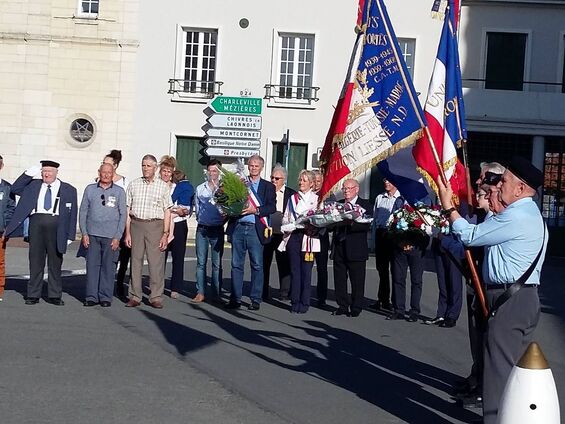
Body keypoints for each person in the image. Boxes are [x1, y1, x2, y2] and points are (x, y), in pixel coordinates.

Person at [438, 156, 547, 424]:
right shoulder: (523, 214)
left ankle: (496, 420)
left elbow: (470, 236)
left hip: (511, 299)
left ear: (521, 188)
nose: (499, 185)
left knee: (498, 371)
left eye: (505, 181)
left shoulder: (517, 216)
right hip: (519, 297)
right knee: (512, 370)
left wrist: (448, 208)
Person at [5, 160, 78, 305]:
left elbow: (73, 214)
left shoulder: (69, 189)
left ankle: (55, 294)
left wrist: (70, 235)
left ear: (57, 172)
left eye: (50, 171)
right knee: (36, 261)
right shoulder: (33, 185)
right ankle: (33, 294)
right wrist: (29, 172)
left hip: (57, 226)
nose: (47, 174)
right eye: (44, 171)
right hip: (36, 224)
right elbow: (15, 188)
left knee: (55, 262)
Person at [225, 155, 276, 311]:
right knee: (236, 264)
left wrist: (257, 210)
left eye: (256, 166)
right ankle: (236, 298)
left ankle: (255, 298)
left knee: (257, 264)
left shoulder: (268, 186)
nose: (253, 168)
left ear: (261, 167)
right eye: (251, 165)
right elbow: (229, 201)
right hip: (239, 226)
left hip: (256, 228)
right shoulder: (241, 182)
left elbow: (271, 207)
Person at [124, 154, 173, 309]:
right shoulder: (134, 184)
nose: (145, 168)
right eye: (143, 165)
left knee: (155, 262)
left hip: (155, 225)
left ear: (155, 167)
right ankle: (135, 295)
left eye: (148, 166)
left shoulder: (163, 186)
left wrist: (165, 233)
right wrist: (127, 233)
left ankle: (155, 296)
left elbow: (167, 211)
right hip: (137, 224)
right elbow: (127, 210)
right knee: (136, 261)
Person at [79, 163, 127, 307]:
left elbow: (123, 214)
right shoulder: (90, 189)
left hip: (111, 236)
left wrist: (118, 236)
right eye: (103, 172)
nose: (106, 175)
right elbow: (83, 212)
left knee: (108, 267)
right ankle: (91, 296)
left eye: (109, 172)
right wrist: (84, 233)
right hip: (92, 234)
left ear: (113, 174)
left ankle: (105, 296)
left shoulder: (119, 192)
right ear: (99, 172)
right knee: (92, 266)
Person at [279, 170, 319, 313]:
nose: (301, 182)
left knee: (306, 271)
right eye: (300, 180)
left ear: (311, 183)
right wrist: (289, 225)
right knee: (295, 270)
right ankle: (294, 301)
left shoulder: (317, 199)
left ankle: (305, 302)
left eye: (304, 180)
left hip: (309, 237)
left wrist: (312, 225)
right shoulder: (292, 198)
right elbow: (286, 217)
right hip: (294, 236)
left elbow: (320, 219)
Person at [331, 178, 372, 317]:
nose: (346, 191)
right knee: (339, 279)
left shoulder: (365, 204)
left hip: (356, 248)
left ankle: (356, 306)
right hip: (339, 246)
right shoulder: (338, 205)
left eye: (349, 188)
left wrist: (349, 222)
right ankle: (342, 305)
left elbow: (366, 225)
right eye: (344, 188)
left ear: (356, 189)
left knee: (357, 280)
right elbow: (331, 224)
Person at [387, 199, 430, 322]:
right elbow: (391, 223)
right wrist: (399, 242)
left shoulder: (424, 201)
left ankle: (414, 310)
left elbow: (427, 226)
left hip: (417, 249)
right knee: (398, 279)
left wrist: (414, 244)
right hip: (400, 247)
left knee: (416, 280)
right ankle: (399, 309)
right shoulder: (399, 201)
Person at [160, 156, 193, 299]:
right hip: (161, 224)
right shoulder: (156, 185)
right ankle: (158, 286)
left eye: (169, 171)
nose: (166, 174)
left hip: (179, 223)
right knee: (160, 257)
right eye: (164, 171)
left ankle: (175, 288)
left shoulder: (178, 186)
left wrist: (183, 211)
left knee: (178, 257)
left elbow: (187, 206)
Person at [369, 178, 404, 312]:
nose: (386, 183)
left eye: (389, 181)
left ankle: (396, 302)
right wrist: (372, 240)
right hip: (381, 233)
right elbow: (375, 216)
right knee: (382, 269)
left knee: (396, 269)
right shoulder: (380, 197)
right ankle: (382, 298)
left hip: (393, 234)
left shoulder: (400, 198)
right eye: (384, 181)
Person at [194, 159, 225, 303]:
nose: (212, 174)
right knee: (201, 262)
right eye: (210, 171)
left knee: (216, 264)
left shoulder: (224, 188)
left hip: (217, 229)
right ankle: (200, 292)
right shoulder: (200, 188)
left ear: (219, 172)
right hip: (202, 229)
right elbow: (197, 208)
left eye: (215, 171)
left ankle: (216, 293)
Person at [263, 164, 295, 301]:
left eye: (277, 178)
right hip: (266, 232)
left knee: (284, 263)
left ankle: (284, 292)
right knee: (264, 263)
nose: (273, 181)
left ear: (284, 180)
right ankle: (263, 291)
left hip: (282, 234)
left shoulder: (291, 194)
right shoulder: (265, 191)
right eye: (272, 177)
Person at [103, 150, 129, 300]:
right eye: (103, 163)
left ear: (116, 166)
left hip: (121, 223)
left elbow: (125, 206)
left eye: (108, 164)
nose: (105, 167)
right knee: (106, 258)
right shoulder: (98, 180)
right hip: (105, 225)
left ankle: (119, 285)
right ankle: (104, 286)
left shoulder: (124, 183)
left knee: (123, 257)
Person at [312, 170, 334, 308]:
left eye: (319, 181)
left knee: (321, 268)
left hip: (321, 235)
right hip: (307, 235)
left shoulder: (329, 197)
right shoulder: (305, 195)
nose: (316, 184)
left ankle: (321, 297)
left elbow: (333, 217)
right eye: (314, 181)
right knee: (303, 266)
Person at [0, 156, 16, 302]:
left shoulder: (7, 188)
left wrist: (7, 228)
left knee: (0, 262)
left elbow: (11, 209)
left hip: (0, 231)